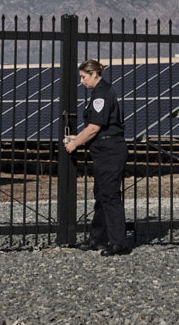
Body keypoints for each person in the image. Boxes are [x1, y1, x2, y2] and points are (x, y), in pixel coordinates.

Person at [62, 60, 130, 256]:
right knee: (101, 195)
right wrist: (78, 137)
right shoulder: (99, 92)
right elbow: (96, 129)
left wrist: (75, 144)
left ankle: (119, 243)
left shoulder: (101, 94)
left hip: (109, 150)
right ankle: (98, 238)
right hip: (104, 147)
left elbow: (94, 127)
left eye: (83, 77)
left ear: (93, 74)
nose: (81, 81)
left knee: (110, 196)